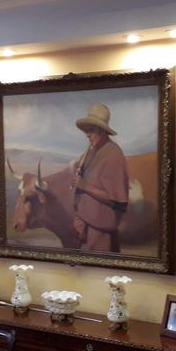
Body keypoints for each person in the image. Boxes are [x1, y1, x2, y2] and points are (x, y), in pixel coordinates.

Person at [71, 103, 129, 252]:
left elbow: (117, 200)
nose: (87, 134)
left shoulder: (114, 155)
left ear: (102, 130)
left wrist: (84, 185)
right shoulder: (91, 152)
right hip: (84, 230)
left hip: (101, 235)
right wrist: (78, 216)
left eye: (91, 129)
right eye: (86, 130)